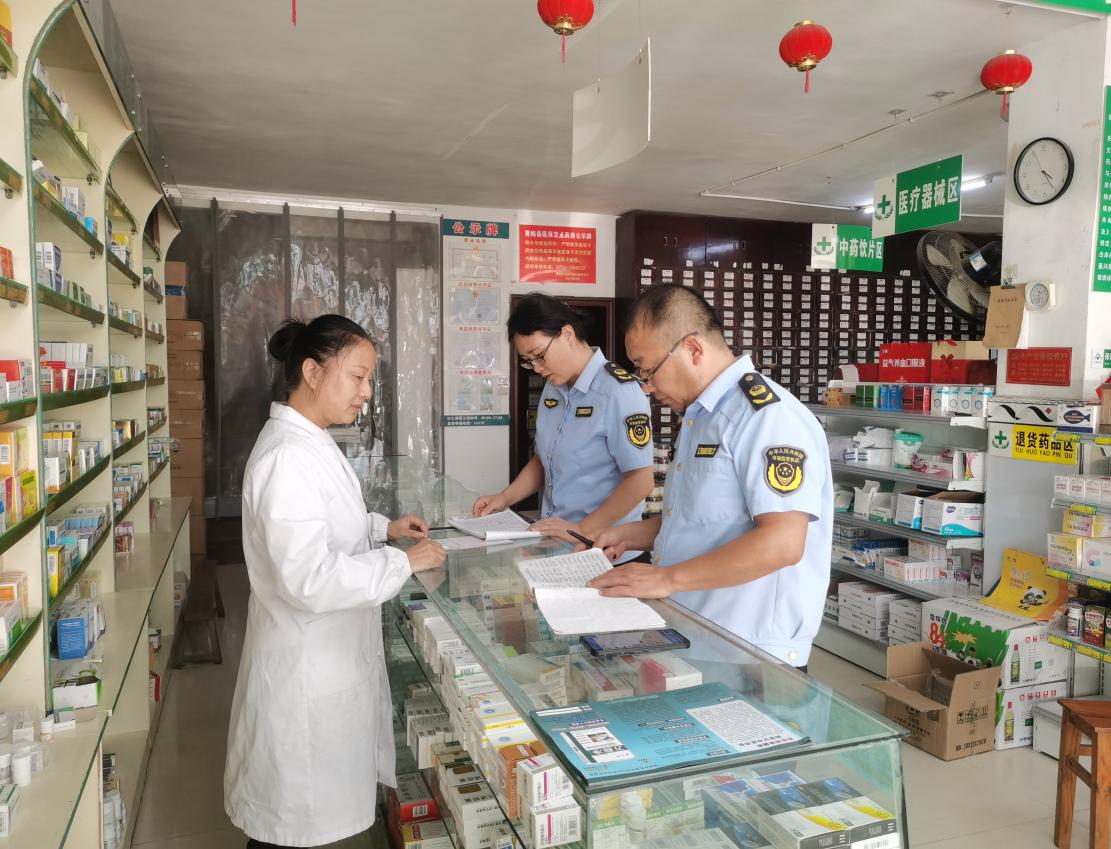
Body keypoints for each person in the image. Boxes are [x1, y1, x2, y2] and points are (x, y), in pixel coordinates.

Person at [224, 315, 447, 849]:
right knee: (287, 828)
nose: (366, 392)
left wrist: (384, 529)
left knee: (300, 824)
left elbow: (327, 522)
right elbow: (310, 578)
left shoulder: (310, 440)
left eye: (369, 379)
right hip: (304, 673)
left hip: (324, 661)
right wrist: (402, 563)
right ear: (312, 372)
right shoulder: (286, 457)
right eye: (357, 376)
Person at [585, 286, 832, 669]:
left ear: (693, 349)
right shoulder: (702, 417)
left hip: (751, 653)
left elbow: (782, 543)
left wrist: (665, 579)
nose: (646, 386)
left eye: (648, 369)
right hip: (696, 632)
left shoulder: (766, 417)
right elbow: (703, 522)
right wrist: (628, 535)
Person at [472, 294, 654, 541]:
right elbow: (545, 458)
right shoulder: (554, 388)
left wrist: (582, 529)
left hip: (603, 547)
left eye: (539, 355)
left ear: (567, 334)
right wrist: (504, 498)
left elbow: (640, 481)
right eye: (528, 362)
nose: (537, 368)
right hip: (557, 540)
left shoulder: (618, 392)